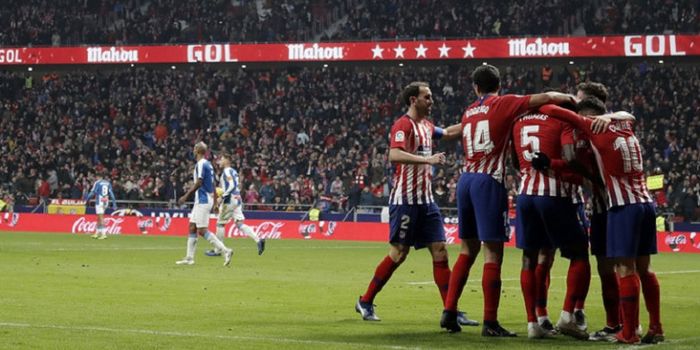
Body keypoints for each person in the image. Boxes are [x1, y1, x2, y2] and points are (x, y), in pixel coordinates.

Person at [440, 64, 578, 336]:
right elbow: (546, 98)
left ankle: (449, 311)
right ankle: (490, 321)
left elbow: (451, 132)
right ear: (498, 85)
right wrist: (570, 99)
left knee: (467, 250)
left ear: (475, 88)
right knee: (493, 252)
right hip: (488, 181)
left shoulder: (469, 111)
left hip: (465, 180)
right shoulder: (504, 103)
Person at [541, 98, 664, 344]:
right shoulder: (625, 125)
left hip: (622, 206)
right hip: (645, 203)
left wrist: (549, 102)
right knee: (645, 269)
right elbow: (630, 115)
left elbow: (550, 110)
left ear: (590, 116)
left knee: (624, 269)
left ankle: (629, 332)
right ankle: (655, 327)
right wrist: (610, 116)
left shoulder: (590, 125)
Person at [355, 81, 477, 327]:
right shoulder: (403, 124)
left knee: (440, 250)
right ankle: (365, 301)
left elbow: (450, 133)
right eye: (427, 97)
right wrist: (428, 160)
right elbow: (394, 154)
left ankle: (450, 309)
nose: (431, 101)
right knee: (399, 254)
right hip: (406, 200)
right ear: (413, 99)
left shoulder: (427, 126)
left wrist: (476, 121)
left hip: (426, 201)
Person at [511, 105, 592, 339]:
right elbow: (568, 156)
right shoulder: (561, 121)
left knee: (530, 258)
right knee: (578, 254)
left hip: (526, 195)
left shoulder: (519, 122)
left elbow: (515, 161)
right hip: (555, 195)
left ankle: (534, 323)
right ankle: (569, 316)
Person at [176, 142, 233, 266]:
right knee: (192, 227)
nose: (193, 150)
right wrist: (215, 202)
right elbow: (212, 184)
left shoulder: (201, 164)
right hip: (204, 199)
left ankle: (225, 250)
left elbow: (200, 182)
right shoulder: (208, 164)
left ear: (197, 150)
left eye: (194, 148)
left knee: (202, 230)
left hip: (202, 200)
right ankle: (189, 258)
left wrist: (186, 195)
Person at [206, 153, 265, 257]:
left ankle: (218, 250)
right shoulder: (234, 171)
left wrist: (222, 196)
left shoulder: (227, 171)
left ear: (227, 160)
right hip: (237, 198)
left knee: (220, 224)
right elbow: (236, 185)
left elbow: (232, 185)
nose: (220, 161)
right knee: (239, 223)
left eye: (222, 159)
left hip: (229, 199)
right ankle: (258, 240)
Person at [84, 170, 117, 239]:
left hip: (99, 201)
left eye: (96, 177)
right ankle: (97, 233)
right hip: (106, 201)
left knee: (101, 217)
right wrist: (114, 203)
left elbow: (92, 193)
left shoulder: (97, 183)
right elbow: (111, 194)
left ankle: (104, 234)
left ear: (98, 177)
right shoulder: (108, 183)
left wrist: (87, 200)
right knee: (99, 217)